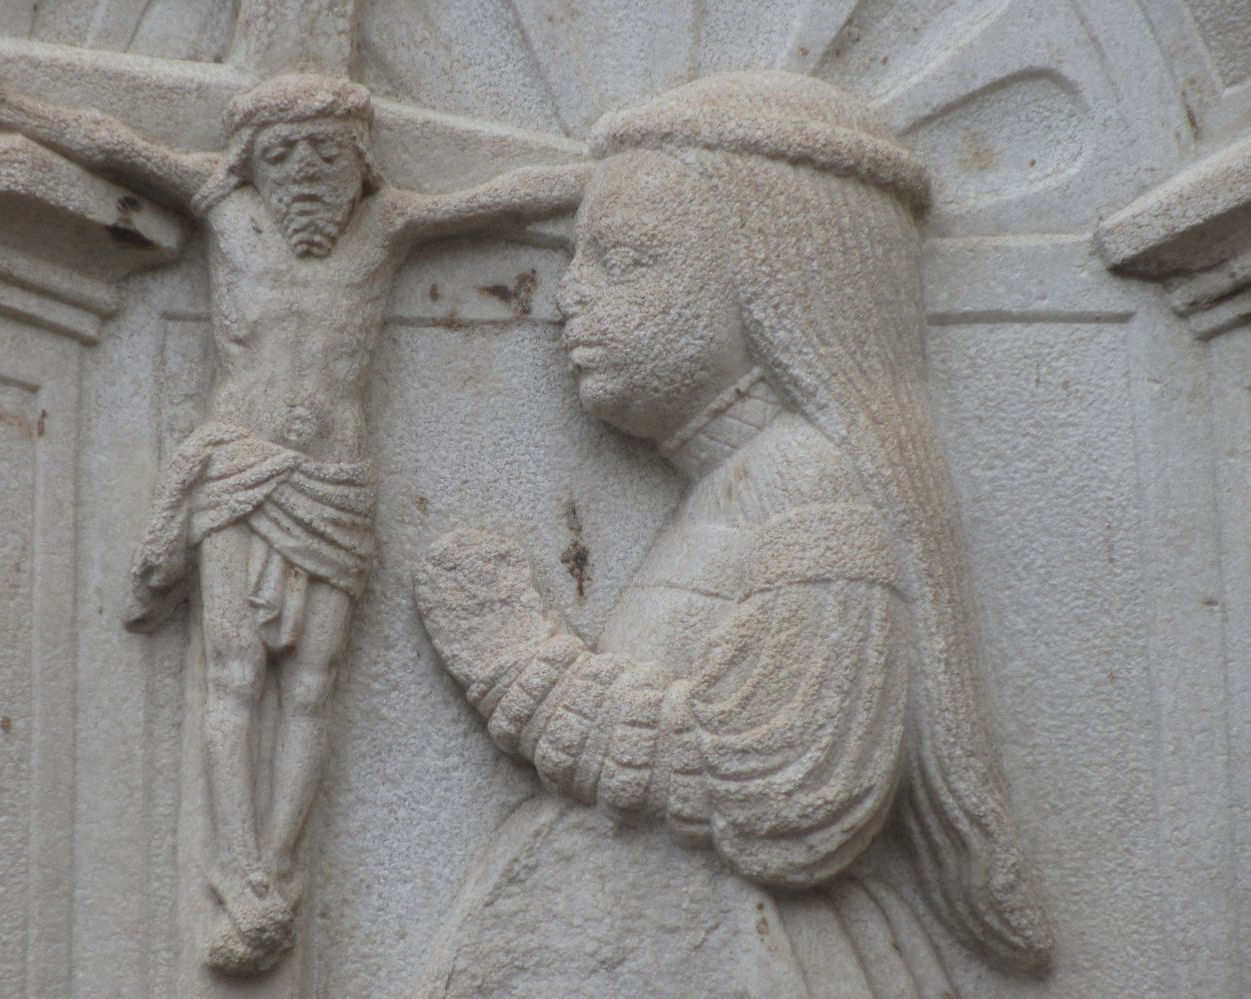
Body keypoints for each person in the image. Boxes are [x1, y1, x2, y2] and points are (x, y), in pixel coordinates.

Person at [0, 63, 587, 974]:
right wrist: (3, 103)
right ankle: (234, 870)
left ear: (360, 160)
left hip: (335, 478)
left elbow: (495, 202)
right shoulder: (223, 210)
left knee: (314, 681)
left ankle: (276, 875)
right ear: (251, 160)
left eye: (327, 152)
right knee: (234, 669)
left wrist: (597, 173)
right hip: (240, 468)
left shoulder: (386, 226)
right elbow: (116, 143)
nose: (308, 172)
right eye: (284, 153)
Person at [413, 71, 1053, 997]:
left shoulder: (808, 490)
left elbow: (792, 780)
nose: (571, 298)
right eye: (576, 261)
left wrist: (519, 662)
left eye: (627, 260)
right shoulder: (733, 487)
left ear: (776, 280)